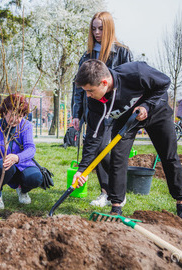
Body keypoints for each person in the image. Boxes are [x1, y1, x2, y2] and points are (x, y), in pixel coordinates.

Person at [72, 59, 182, 220]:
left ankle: (181, 203)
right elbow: (93, 136)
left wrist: (147, 106)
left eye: (90, 90)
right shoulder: (95, 101)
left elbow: (164, 83)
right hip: (126, 120)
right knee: (117, 159)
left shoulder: (136, 72)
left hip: (157, 112)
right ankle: (116, 206)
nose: (88, 95)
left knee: (169, 156)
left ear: (104, 83)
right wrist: (82, 169)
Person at [71, 11, 133, 207]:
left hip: (115, 113)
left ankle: (115, 191)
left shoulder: (122, 52)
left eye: (101, 28)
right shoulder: (87, 55)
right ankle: (107, 192)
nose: (97, 32)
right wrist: (76, 114)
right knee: (97, 148)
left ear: (109, 28)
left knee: (107, 151)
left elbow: (127, 83)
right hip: (94, 112)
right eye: (94, 28)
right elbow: (78, 88)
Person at [0, 94, 43, 209]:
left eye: (20, 116)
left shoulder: (26, 126)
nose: (16, 119)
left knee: (35, 177)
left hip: (22, 163)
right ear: (4, 112)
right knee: (4, 165)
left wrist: (17, 158)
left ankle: (22, 190)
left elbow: (31, 148)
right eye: (12, 115)